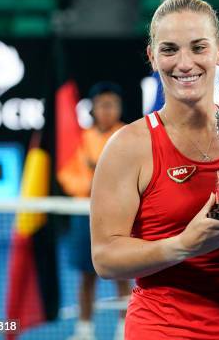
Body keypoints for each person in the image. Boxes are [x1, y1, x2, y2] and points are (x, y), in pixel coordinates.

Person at [89, 0, 219, 339]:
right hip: (164, 330)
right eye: (170, 49)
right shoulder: (129, 147)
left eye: (198, 47)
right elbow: (105, 257)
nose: (184, 62)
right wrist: (182, 245)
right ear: (152, 56)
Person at [57, 82, 130, 340]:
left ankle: (125, 329)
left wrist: (107, 186)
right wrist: (89, 186)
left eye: (112, 105)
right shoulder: (80, 139)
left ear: (119, 108)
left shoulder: (128, 135)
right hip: (84, 215)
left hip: (119, 216)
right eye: (102, 105)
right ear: (94, 108)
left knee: (123, 274)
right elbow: (67, 175)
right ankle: (84, 330)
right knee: (86, 277)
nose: (107, 110)